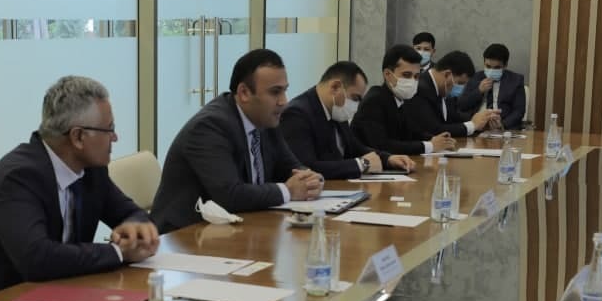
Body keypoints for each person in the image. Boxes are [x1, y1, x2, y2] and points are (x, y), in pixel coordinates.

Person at [0, 77, 159, 301]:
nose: (115, 138)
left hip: (49, 299)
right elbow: (37, 258)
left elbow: (130, 213)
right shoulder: (19, 177)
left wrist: (138, 228)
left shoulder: (91, 170)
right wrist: (118, 252)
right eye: (109, 129)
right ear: (78, 137)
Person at [151, 49, 323, 233]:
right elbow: (230, 195)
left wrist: (311, 180)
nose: (284, 101)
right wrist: (288, 191)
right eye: (275, 92)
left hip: (236, 228)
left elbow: (292, 168)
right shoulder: (209, 127)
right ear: (244, 93)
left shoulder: (265, 120)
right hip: (184, 234)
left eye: (284, 91)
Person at [279, 61, 416, 180]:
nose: (356, 106)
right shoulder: (297, 114)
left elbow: (355, 148)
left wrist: (388, 159)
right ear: (335, 87)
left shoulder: (336, 110)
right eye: (355, 98)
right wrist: (361, 164)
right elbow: (306, 167)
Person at [351, 44, 458, 156]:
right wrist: (430, 146)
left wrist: (435, 139)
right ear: (388, 74)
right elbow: (382, 145)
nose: (412, 81)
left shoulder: (402, 99)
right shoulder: (374, 101)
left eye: (416, 76)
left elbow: (412, 133)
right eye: (406, 75)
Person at [404, 50, 501, 139]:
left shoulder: (442, 89)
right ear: (447, 74)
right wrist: (473, 125)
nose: (461, 89)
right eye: (460, 83)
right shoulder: (420, 89)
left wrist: (483, 120)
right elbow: (434, 130)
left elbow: (454, 117)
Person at [457, 43, 529, 130]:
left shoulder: (516, 80)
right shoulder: (475, 77)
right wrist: (479, 91)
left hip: (503, 128)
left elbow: (519, 111)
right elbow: (461, 105)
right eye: (488, 66)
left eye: (497, 68)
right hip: (476, 127)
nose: (491, 71)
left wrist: (502, 125)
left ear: (505, 65)